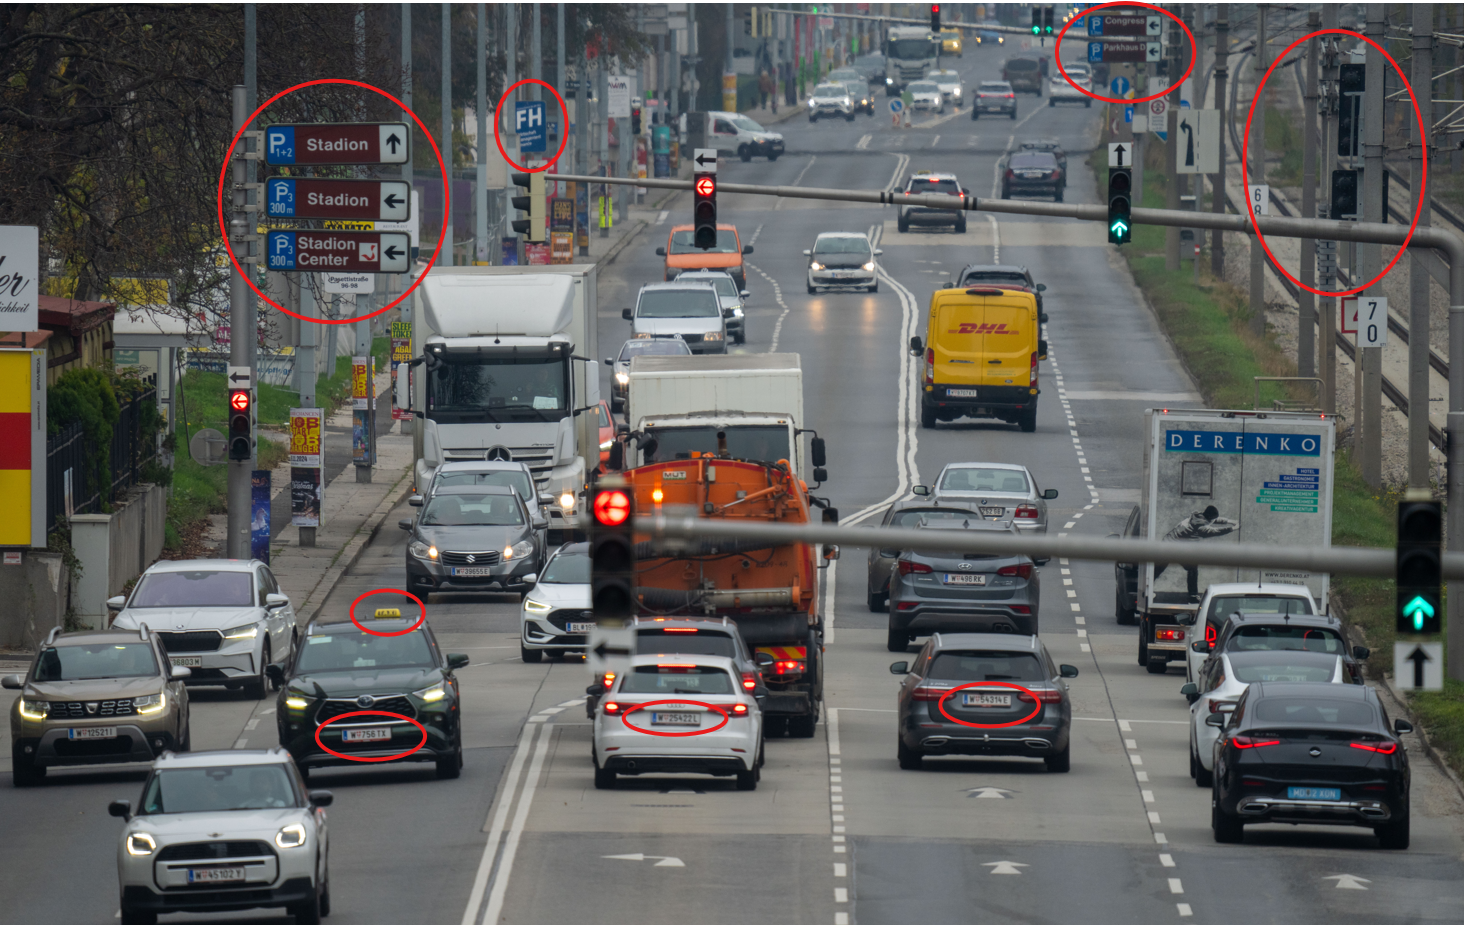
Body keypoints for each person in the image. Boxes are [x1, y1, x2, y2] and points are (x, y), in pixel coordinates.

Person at [1153, 505, 1239, 601]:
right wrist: (1233, 528)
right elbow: (1216, 531)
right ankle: (1193, 596)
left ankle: (1146, 586)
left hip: (1168, 541)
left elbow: (1215, 520)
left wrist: (1231, 521)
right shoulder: (1201, 528)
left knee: (1158, 568)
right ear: (1209, 518)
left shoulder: (1197, 515)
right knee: (1192, 568)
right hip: (1173, 548)